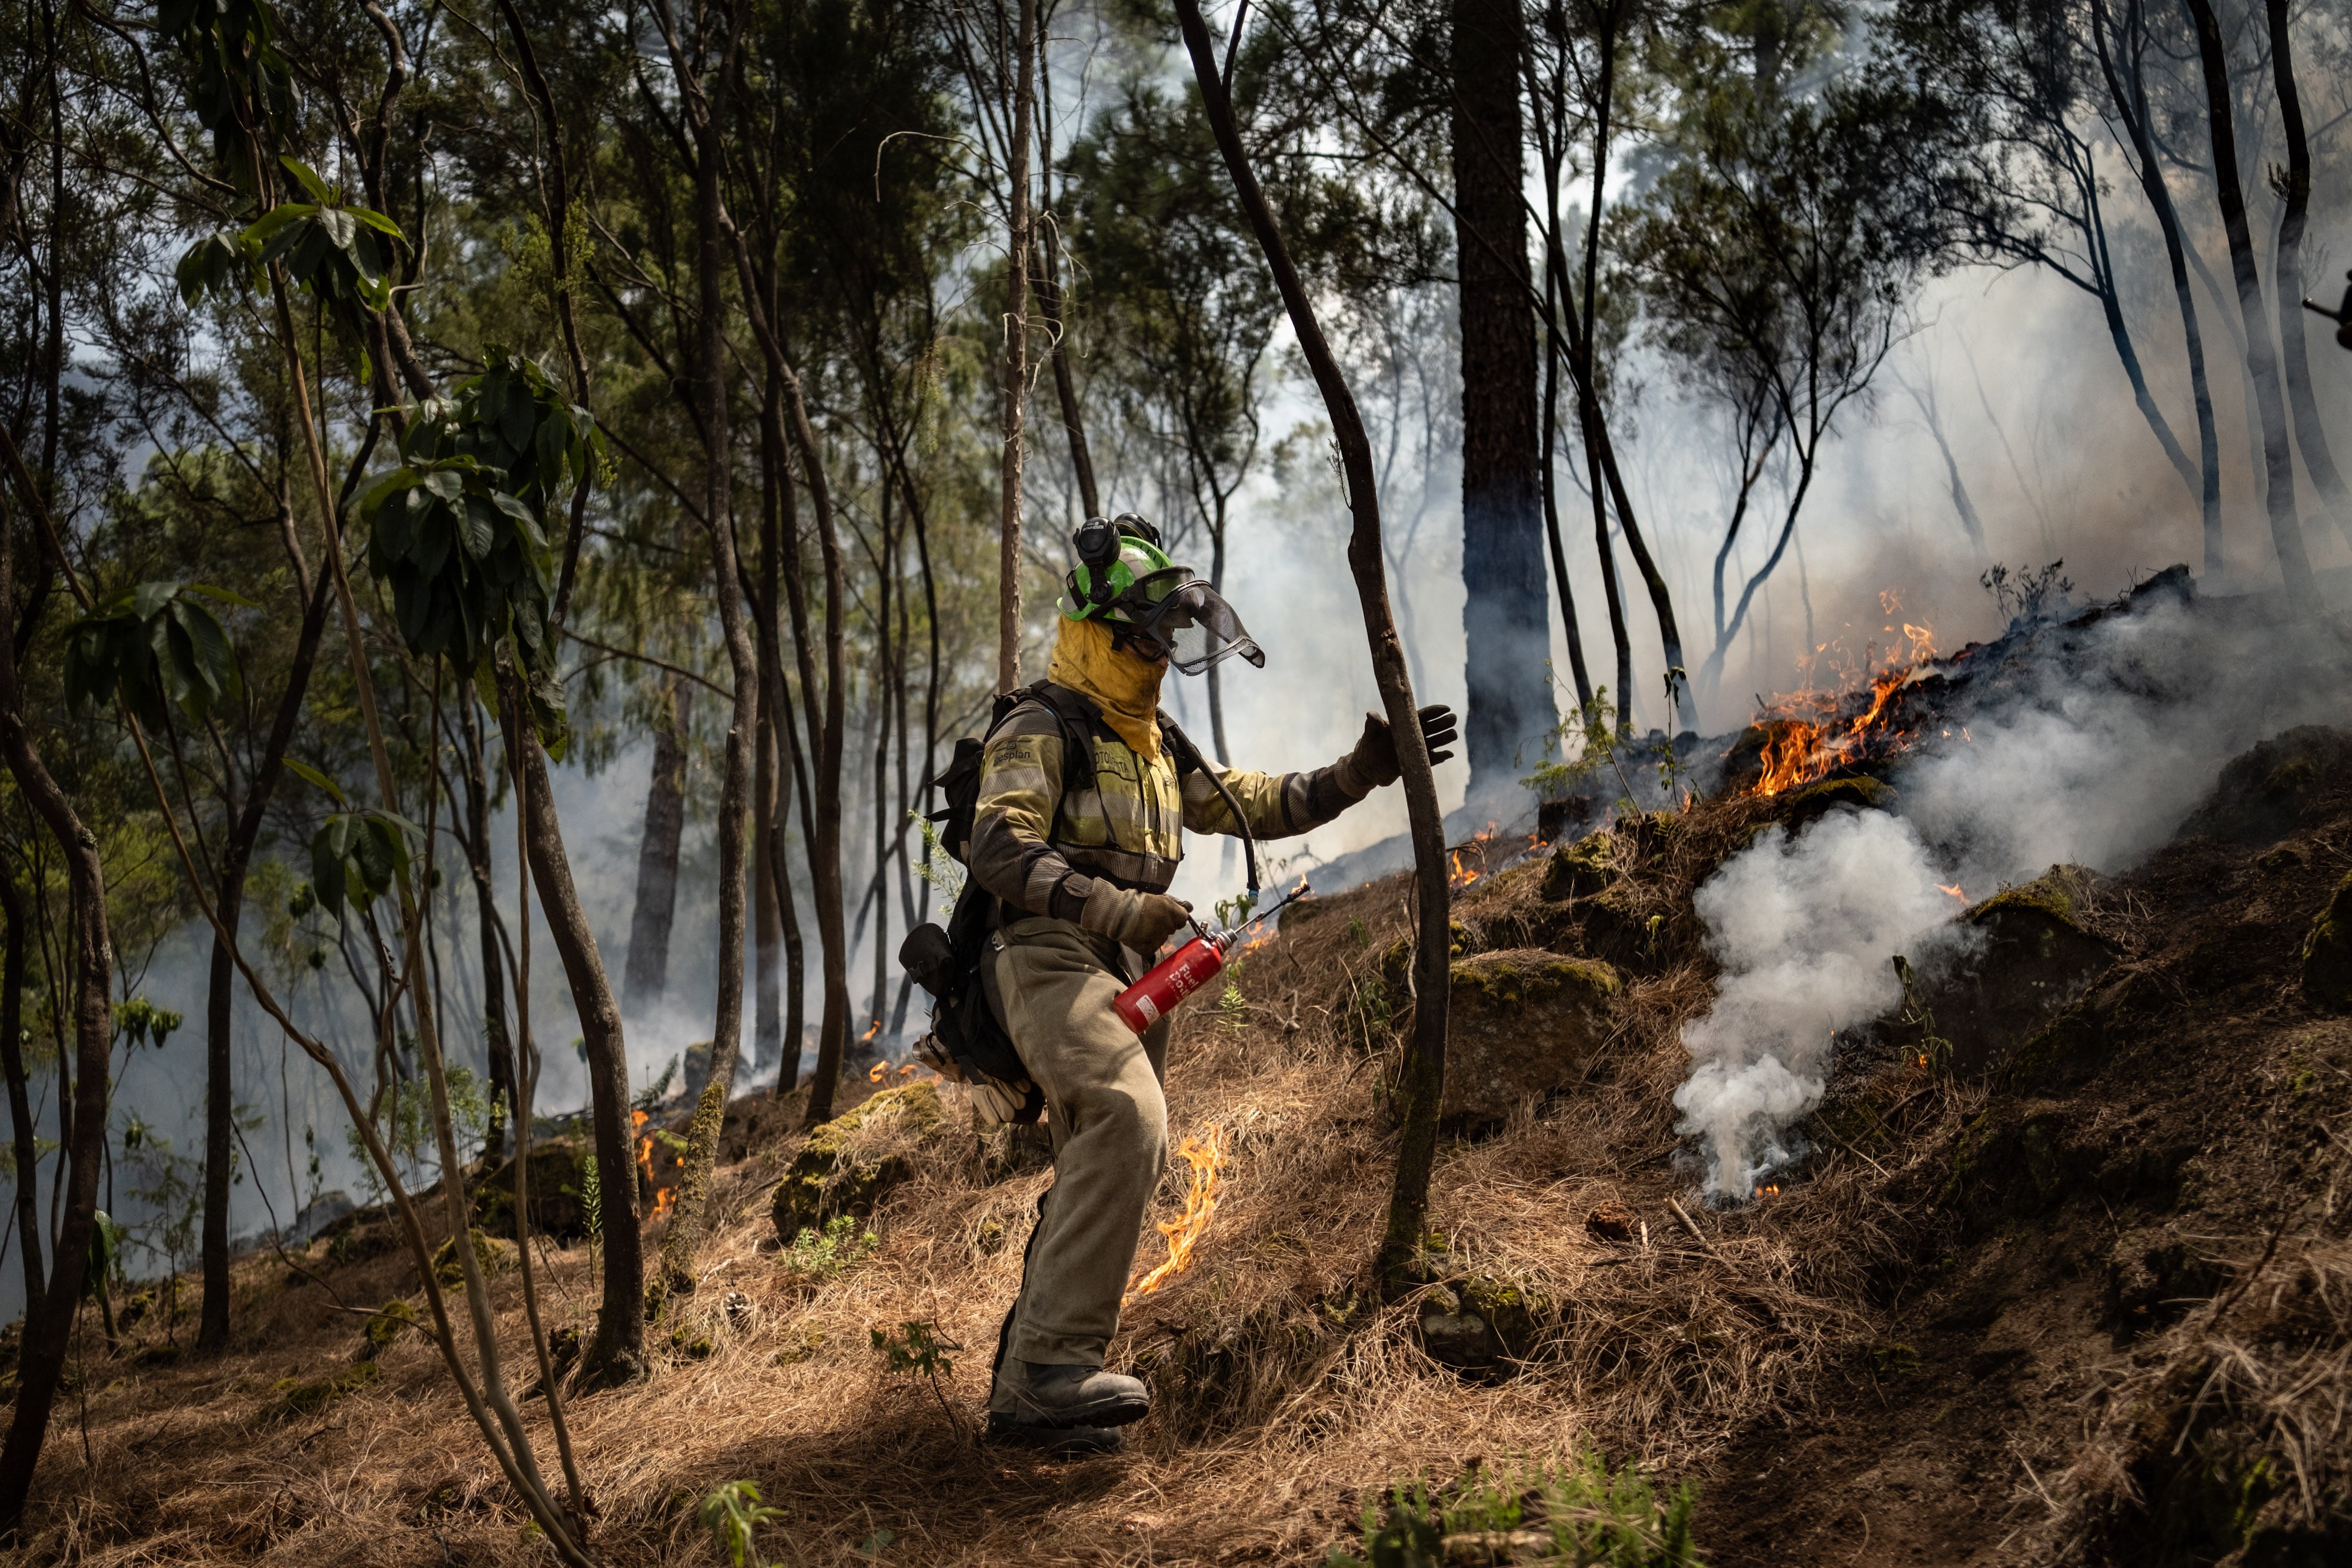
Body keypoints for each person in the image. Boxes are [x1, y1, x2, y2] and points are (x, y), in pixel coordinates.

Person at [967, 513, 1456, 1455]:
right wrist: (1115, 911)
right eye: (1148, 635)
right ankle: (1050, 1374)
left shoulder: (1154, 744)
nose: (1162, 651)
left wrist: (1361, 772)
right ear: (1100, 630)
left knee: (1112, 1152)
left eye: (1172, 636)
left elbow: (1250, 803)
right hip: (1046, 951)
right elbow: (997, 845)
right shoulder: (1043, 721)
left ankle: (1022, 1388)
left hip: (1131, 965)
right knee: (1125, 1115)